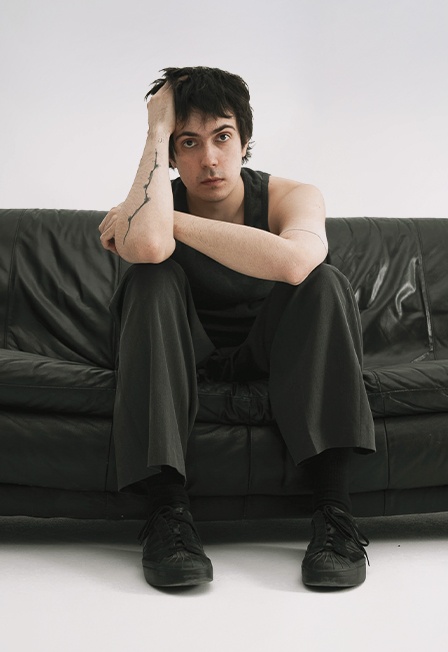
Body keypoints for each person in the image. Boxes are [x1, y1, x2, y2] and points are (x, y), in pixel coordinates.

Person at [98, 66, 375, 590]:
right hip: (184, 350)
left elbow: (296, 262)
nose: (209, 159)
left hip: (271, 351)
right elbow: (150, 247)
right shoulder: (159, 193)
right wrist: (155, 128)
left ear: (245, 142)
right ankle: (167, 515)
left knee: (324, 280)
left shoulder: (293, 195)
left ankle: (334, 515)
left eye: (222, 137)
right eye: (188, 142)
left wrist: (165, 217)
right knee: (150, 278)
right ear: (172, 154)